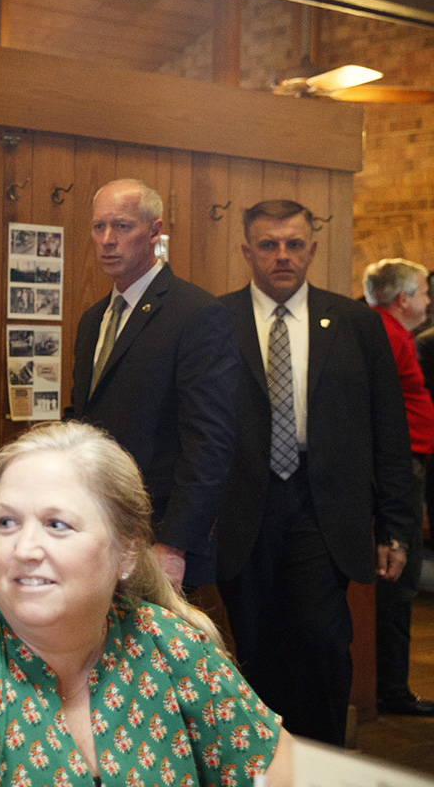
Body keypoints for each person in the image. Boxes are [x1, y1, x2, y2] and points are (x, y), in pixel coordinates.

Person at [0, 421, 293, 787]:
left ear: (126, 553)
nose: (24, 548)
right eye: (7, 522)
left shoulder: (171, 646)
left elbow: (285, 771)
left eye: (57, 525)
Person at [216, 200, 414, 746]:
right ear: (246, 251)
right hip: (243, 510)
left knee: (322, 644)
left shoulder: (355, 324)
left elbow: (388, 431)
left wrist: (395, 523)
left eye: (294, 244)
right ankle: (262, 764)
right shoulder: (215, 320)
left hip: (322, 505)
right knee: (255, 649)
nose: (283, 255)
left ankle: (322, 762)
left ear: (313, 249)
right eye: (269, 244)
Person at [64, 178, 238, 590]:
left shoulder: (195, 313)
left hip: (155, 532)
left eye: (122, 227)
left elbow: (208, 442)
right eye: (99, 227)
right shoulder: (94, 319)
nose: (107, 240)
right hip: (94, 522)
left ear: (155, 230)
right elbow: (82, 419)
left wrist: (175, 544)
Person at [363, 258, 434, 716]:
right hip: (399, 467)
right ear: (403, 299)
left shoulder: (390, 332)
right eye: (426, 291)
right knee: (398, 580)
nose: (430, 300)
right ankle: (391, 689)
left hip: (408, 461)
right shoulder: (386, 334)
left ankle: (391, 685)